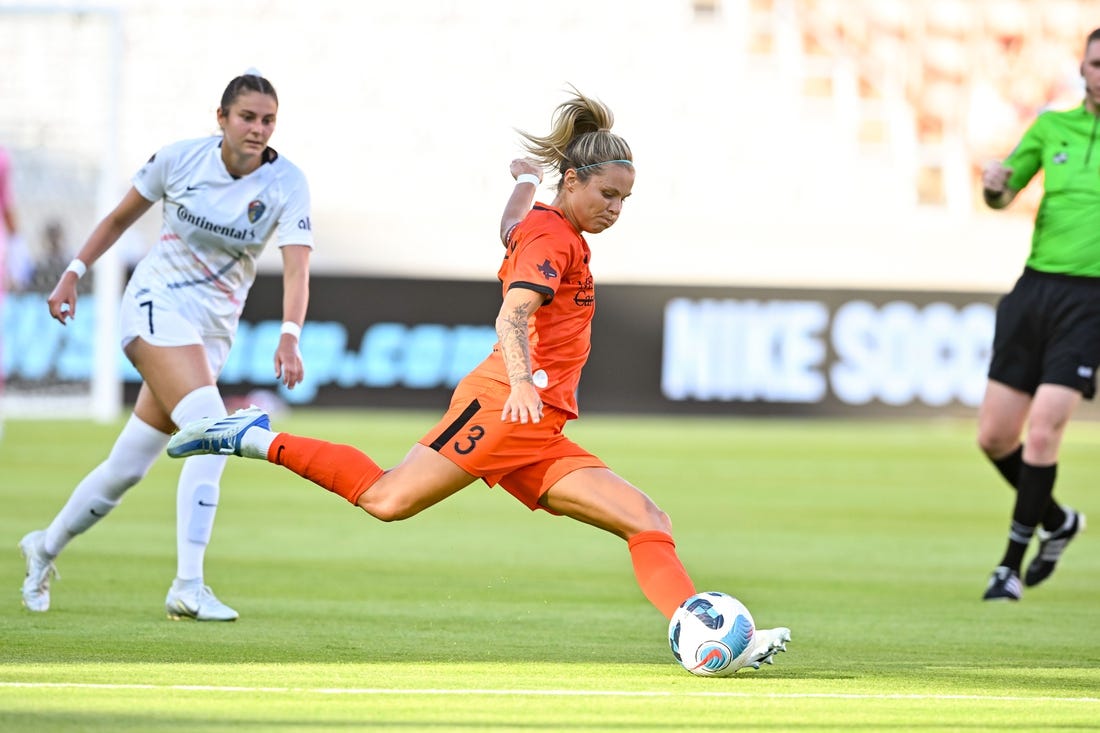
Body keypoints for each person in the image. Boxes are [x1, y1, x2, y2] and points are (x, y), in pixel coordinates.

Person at [166, 88, 791, 668]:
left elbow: (508, 225)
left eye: (625, 199)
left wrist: (522, 181)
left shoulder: (546, 224)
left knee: (648, 520)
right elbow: (513, 314)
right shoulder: (557, 240)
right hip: (504, 406)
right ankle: (254, 436)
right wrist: (521, 383)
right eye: (607, 195)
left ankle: (707, 634)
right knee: (387, 500)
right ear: (572, 181)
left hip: (538, 427)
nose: (616, 209)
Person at [19, 69, 314, 620]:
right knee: (211, 427)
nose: (257, 129)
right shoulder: (179, 159)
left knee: (127, 466)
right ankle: (187, 584)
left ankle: (44, 546)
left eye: (268, 120)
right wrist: (73, 272)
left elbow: (297, 269)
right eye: (247, 117)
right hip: (155, 305)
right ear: (221, 118)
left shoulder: (287, 183)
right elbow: (116, 219)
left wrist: (289, 335)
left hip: (211, 330)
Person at [976, 29, 1100, 601]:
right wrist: (996, 186)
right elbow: (1004, 191)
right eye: (1098, 64)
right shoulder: (1054, 127)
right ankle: (1057, 520)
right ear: (1083, 67)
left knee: (1045, 429)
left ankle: (1008, 567)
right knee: (996, 436)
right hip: (1035, 291)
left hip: (1091, 300)